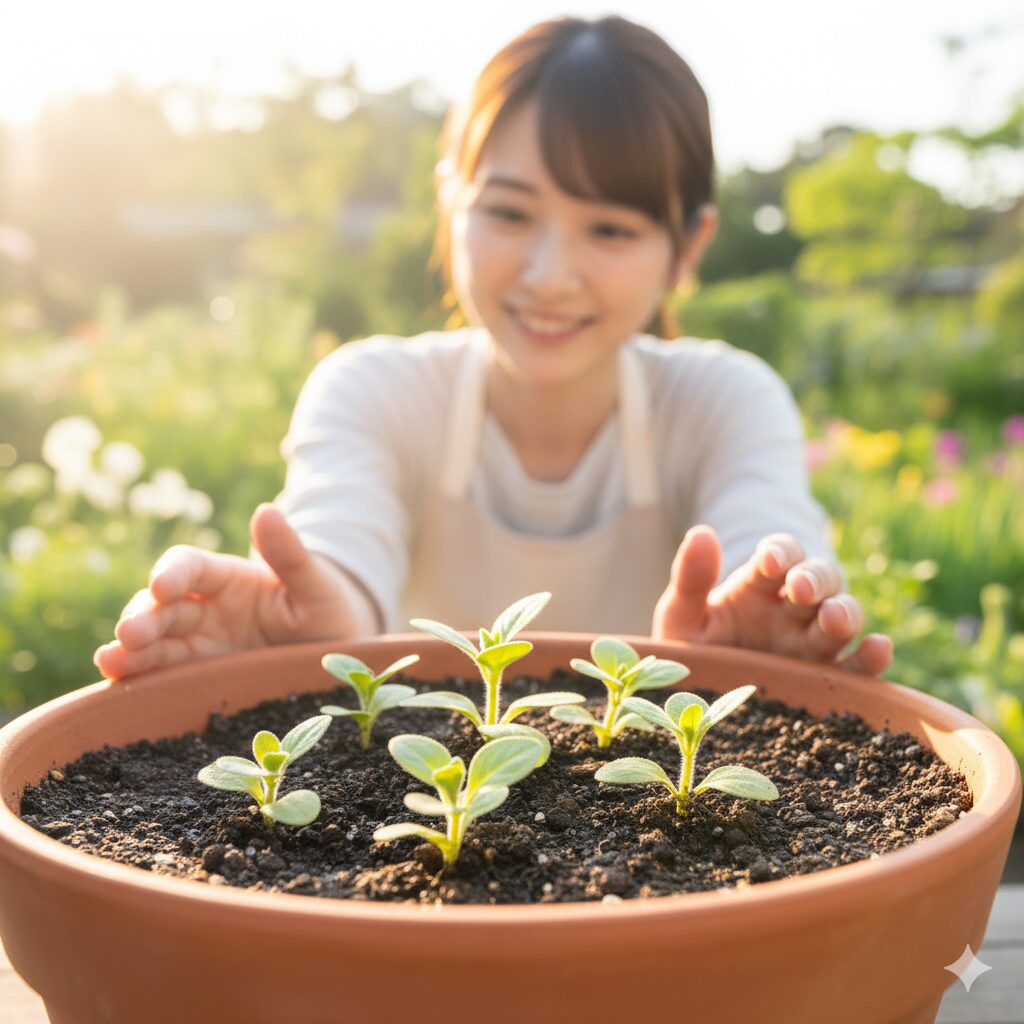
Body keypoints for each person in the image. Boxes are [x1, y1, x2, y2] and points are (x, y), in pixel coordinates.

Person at [93, 15, 893, 682]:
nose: (549, 276)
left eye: (609, 230)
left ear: (688, 247)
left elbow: (764, 539)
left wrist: (773, 610)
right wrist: (311, 618)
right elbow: (341, 544)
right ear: (451, 204)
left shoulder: (725, 401)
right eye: (510, 214)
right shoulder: (375, 391)